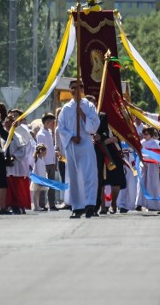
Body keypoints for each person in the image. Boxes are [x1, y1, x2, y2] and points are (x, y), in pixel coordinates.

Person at [57, 80, 100, 218]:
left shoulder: (89, 106)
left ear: (82, 88)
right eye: (72, 88)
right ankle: (77, 206)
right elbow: (61, 128)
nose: (75, 90)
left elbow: (94, 125)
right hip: (72, 145)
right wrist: (71, 137)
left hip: (86, 142)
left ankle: (89, 204)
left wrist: (82, 114)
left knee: (89, 174)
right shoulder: (66, 108)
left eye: (78, 87)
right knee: (74, 176)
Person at [3, 113, 32, 214]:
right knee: (8, 185)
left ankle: (19, 204)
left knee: (17, 185)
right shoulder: (3, 135)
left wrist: (14, 156)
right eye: (6, 122)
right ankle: (8, 204)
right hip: (6, 164)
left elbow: (23, 149)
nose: (7, 124)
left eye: (10, 122)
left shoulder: (19, 135)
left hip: (16, 164)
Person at [36, 112, 59, 211]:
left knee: (51, 185)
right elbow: (40, 149)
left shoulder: (48, 133)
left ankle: (52, 203)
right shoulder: (41, 134)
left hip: (51, 162)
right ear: (47, 122)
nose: (53, 124)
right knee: (43, 185)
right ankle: (41, 204)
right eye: (52, 122)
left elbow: (50, 147)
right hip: (44, 163)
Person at [138, 127, 160, 211]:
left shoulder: (155, 144)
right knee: (142, 183)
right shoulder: (141, 143)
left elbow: (159, 155)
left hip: (152, 165)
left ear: (151, 135)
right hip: (144, 165)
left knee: (152, 184)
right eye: (143, 134)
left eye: (146, 134)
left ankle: (153, 205)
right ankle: (140, 203)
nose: (144, 136)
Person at [30, 143, 48, 211]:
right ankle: (35, 206)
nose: (45, 153)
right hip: (38, 179)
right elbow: (38, 171)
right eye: (45, 152)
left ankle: (37, 205)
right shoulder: (37, 160)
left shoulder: (40, 159)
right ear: (41, 151)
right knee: (36, 192)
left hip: (40, 178)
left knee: (38, 192)